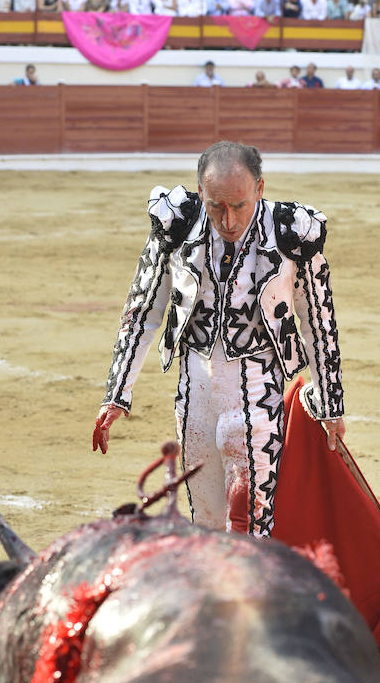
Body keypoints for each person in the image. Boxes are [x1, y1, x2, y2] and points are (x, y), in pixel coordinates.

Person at [92, 142, 345, 538]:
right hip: (194, 394)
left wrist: (331, 404)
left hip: (260, 391)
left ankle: (251, 600)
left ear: (259, 189)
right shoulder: (178, 223)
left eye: (239, 205)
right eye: (215, 206)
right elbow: (142, 310)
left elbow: (317, 318)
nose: (227, 219)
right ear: (199, 192)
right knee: (206, 523)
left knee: (252, 527)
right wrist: (116, 393)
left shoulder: (291, 232)